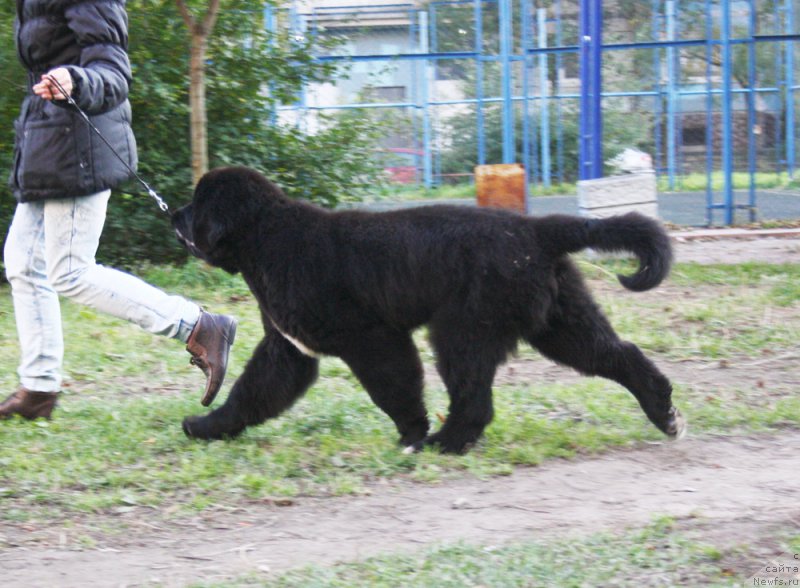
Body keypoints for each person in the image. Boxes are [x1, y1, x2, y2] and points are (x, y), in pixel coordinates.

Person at [1, 0, 236, 420]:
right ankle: (39, 388)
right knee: (22, 262)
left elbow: (113, 71)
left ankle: (198, 326)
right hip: (47, 142)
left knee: (70, 271)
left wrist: (76, 79)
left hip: (77, 146)